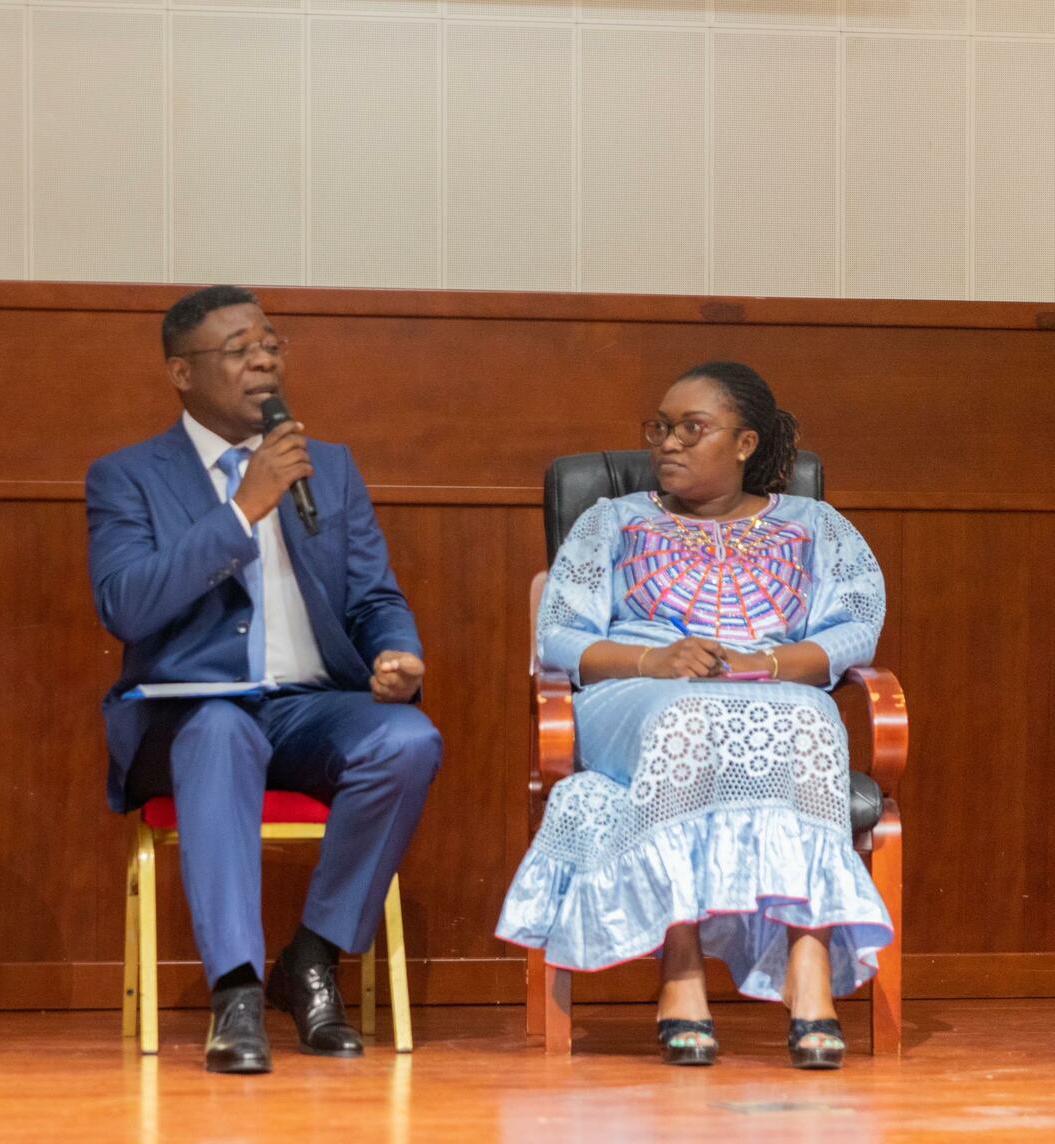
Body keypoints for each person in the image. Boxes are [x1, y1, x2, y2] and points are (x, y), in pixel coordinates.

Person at [86, 285, 443, 1074]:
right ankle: (236, 993)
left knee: (408, 741)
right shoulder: (128, 476)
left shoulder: (329, 468)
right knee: (220, 730)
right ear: (181, 373)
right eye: (239, 350)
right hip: (189, 714)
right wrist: (240, 513)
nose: (263, 363)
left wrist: (397, 653)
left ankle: (311, 958)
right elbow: (126, 606)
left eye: (271, 345)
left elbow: (374, 597)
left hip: (312, 708)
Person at [497, 361, 893, 1070]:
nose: (668, 443)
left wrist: (764, 663)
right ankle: (680, 970)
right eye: (661, 428)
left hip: (774, 687)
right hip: (637, 691)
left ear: (744, 444)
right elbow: (558, 635)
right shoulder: (612, 521)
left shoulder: (817, 527)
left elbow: (854, 630)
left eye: (691, 428)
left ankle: (808, 969)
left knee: (812, 722)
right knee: (686, 714)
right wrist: (654, 660)